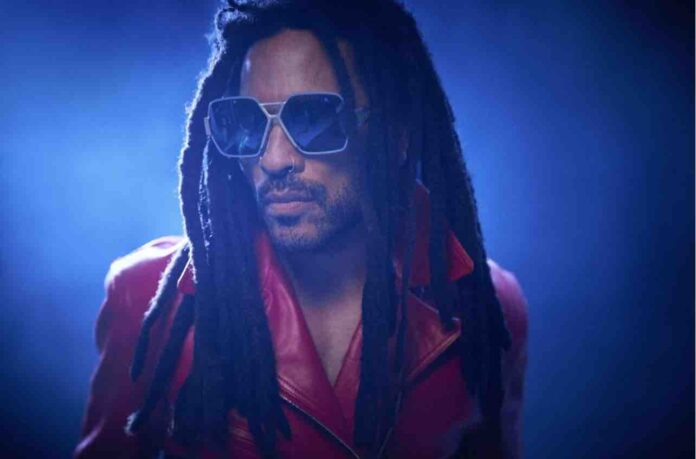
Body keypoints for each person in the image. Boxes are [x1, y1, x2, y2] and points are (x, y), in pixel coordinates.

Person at [75, 1, 528, 458]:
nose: (274, 160)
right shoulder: (149, 298)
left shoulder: (485, 308)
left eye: (315, 119)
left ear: (396, 135)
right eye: (247, 122)